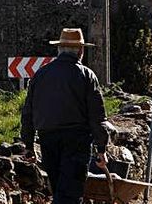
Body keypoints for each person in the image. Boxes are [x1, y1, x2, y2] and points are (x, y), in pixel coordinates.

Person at [19, 28, 110, 204]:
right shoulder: (86, 75)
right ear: (81, 51)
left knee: (59, 188)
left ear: (59, 49)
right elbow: (97, 116)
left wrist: (29, 144)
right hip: (77, 140)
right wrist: (101, 148)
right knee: (70, 192)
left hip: (48, 139)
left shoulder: (41, 74)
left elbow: (28, 112)